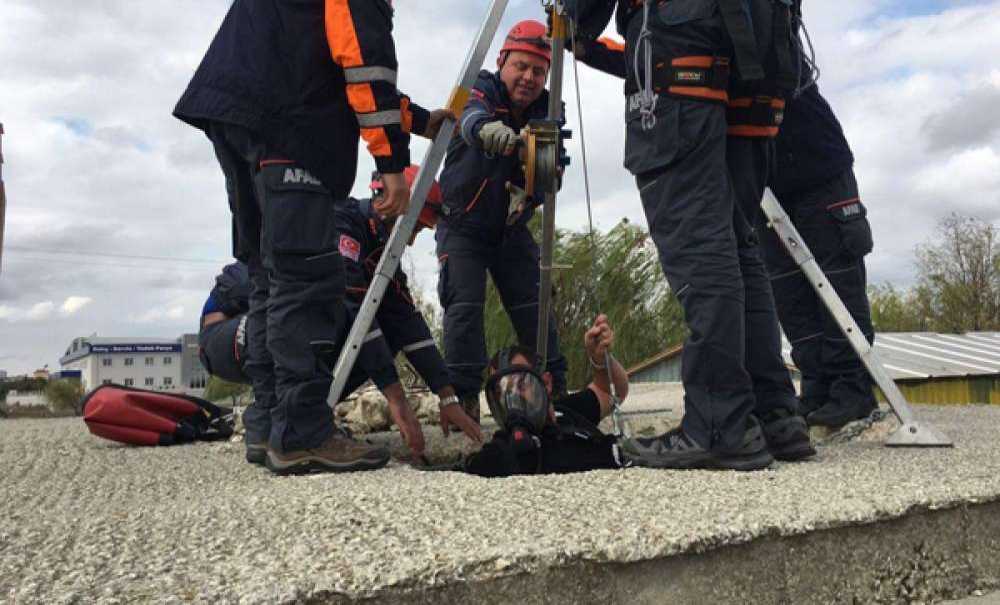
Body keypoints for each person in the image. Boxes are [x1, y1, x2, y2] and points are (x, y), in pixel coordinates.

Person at [174, 0, 452, 474]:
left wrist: (420, 121)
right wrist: (391, 164)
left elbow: (338, 63)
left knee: (270, 275)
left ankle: (269, 423)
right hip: (288, 124)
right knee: (307, 280)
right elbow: (364, 63)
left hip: (244, 113)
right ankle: (302, 431)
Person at [566, 16, 878, 429]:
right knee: (786, 289)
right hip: (767, 183)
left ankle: (853, 387)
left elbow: (668, 57)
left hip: (818, 171)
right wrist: (588, 48)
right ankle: (817, 384)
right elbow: (655, 61)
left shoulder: (759, 34)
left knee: (835, 279)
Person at [198, 169, 483, 467]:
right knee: (329, 315)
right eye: (414, 229)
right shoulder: (340, 222)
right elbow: (353, 312)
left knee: (384, 328)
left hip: (272, 325)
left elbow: (408, 322)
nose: (411, 242)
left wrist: (447, 397)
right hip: (226, 331)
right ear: (390, 210)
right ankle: (276, 424)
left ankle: (302, 420)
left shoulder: (380, 254)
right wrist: (397, 400)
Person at [436, 20, 570, 426]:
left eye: (538, 70)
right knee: (463, 308)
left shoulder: (549, 109)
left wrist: (547, 177)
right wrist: (485, 130)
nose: (529, 78)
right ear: (502, 61)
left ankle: (555, 393)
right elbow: (468, 114)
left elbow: (551, 169)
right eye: (521, 66)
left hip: (510, 227)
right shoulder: (482, 86)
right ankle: (463, 403)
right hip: (462, 225)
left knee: (535, 305)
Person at [462, 314, 630, 477]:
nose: (512, 399)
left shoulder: (568, 411)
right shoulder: (498, 454)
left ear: (546, 383)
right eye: (501, 393)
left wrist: (600, 360)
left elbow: (610, 392)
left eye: (521, 384)